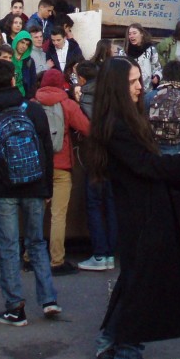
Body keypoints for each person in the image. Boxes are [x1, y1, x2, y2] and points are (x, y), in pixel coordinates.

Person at [85, 57, 180, 359]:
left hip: (145, 210)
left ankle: (109, 346)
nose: (141, 86)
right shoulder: (117, 126)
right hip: (142, 217)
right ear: (118, 89)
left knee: (133, 284)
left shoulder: (123, 120)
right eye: (134, 82)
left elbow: (146, 167)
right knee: (141, 290)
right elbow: (147, 165)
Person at [0, 59, 59, 326]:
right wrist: (47, 187)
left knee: (9, 248)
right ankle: (48, 300)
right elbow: (46, 148)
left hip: (3, 190)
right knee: (37, 244)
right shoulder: (33, 110)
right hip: (34, 186)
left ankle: (15, 307)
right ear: (13, 79)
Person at [35, 68, 91, 277]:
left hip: (38, 167)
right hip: (61, 166)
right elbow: (87, 128)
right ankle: (56, 260)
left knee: (36, 213)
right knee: (58, 216)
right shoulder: (67, 104)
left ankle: (29, 257)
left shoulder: (32, 104)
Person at [75, 61, 119, 273]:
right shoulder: (111, 95)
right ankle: (110, 253)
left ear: (82, 79)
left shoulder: (85, 98)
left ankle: (100, 253)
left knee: (93, 203)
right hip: (113, 152)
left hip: (95, 153)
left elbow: (85, 127)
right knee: (111, 202)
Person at [123, 23, 160, 90]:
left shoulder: (150, 50)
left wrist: (157, 76)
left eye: (134, 33)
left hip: (147, 89)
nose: (131, 36)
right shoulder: (124, 52)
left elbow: (157, 67)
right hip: (129, 89)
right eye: (129, 34)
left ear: (141, 34)